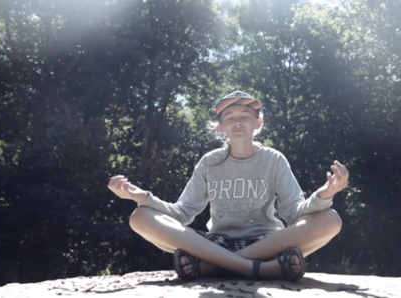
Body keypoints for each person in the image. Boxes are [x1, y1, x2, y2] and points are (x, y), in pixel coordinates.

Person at [107, 91, 348, 281]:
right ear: (221, 128)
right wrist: (142, 197)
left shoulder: (273, 159)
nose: (238, 122)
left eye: (245, 116)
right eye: (230, 118)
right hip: (216, 242)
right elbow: (181, 213)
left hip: (266, 243)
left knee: (331, 219)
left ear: (258, 123)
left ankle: (212, 267)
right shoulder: (209, 162)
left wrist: (325, 194)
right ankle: (261, 270)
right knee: (141, 217)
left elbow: (294, 212)